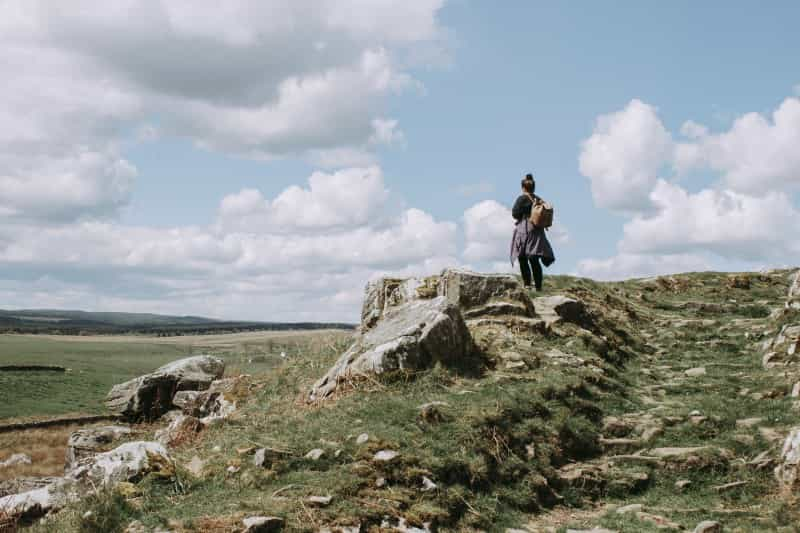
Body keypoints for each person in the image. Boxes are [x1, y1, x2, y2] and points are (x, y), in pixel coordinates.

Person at [510, 174, 555, 290]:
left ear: (523, 187)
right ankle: (538, 286)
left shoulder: (522, 199)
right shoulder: (538, 199)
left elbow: (514, 214)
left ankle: (527, 284)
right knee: (534, 259)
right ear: (533, 187)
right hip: (538, 231)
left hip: (525, 229)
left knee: (522, 257)